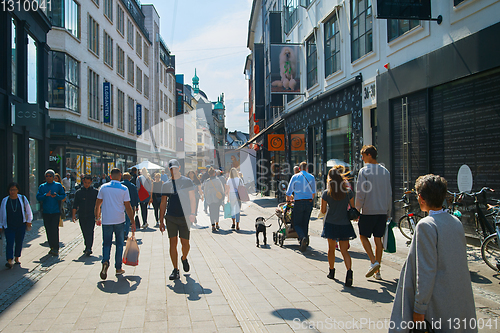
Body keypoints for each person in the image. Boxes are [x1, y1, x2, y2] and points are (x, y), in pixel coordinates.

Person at [389, 174, 477, 332]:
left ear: (421, 198)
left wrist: (419, 308)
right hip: (458, 300)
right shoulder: (455, 222)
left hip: (436, 302)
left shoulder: (426, 226)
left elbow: (425, 270)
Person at [355, 145, 392, 279]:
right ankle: (378, 272)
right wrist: (388, 210)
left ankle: (373, 261)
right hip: (382, 211)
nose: (362, 158)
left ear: (369, 155)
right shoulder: (385, 172)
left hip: (368, 210)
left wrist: (357, 209)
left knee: (363, 236)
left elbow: (360, 192)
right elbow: (389, 193)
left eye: (363, 155)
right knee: (378, 240)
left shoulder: (364, 171)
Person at [94, 168, 135, 280]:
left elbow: (97, 204)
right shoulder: (123, 189)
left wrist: (97, 217)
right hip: (119, 220)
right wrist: (132, 221)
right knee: (119, 244)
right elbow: (128, 206)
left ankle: (105, 261)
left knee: (106, 243)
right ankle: (118, 268)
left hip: (106, 220)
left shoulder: (103, 187)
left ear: (110, 176)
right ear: (120, 176)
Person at [159, 159, 196, 280]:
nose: (173, 170)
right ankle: (175, 269)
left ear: (179, 167)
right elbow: (163, 203)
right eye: (171, 168)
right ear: (169, 169)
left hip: (185, 216)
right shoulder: (166, 184)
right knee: (172, 243)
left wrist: (193, 213)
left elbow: (192, 198)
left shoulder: (187, 181)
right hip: (171, 217)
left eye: (175, 168)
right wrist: (160, 220)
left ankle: (184, 258)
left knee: (185, 243)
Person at [320, 166, 356, 286]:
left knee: (331, 249)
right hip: (345, 223)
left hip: (331, 223)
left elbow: (323, 210)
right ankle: (349, 273)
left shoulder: (326, 193)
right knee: (345, 251)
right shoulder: (348, 192)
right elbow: (353, 208)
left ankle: (331, 271)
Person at [0, 183, 33, 268]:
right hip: (9, 225)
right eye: (11, 190)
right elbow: (2, 213)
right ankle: (9, 260)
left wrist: (29, 220)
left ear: (18, 190)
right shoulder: (5, 200)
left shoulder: (22, 198)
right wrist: (1, 225)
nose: (12, 192)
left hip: (20, 224)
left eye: (14, 190)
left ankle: (17, 257)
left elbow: (28, 210)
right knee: (9, 242)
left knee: (19, 242)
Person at [285, 161, 316, 252]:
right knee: (305, 222)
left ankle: (302, 238)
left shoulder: (295, 177)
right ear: (307, 168)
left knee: (296, 223)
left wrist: (288, 201)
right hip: (308, 202)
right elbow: (313, 193)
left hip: (298, 202)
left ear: (299, 169)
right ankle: (304, 241)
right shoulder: (312, 177)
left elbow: (288, 192)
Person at [36, 169, 66, 256]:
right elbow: (38, 197)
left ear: (53, 177)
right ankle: (51, 247)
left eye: (50, 176)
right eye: (47, 176)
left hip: (55, 211)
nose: (48, 178)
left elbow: (63, 195)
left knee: (54, 229)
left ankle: (56, 248)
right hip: (46, 211)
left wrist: (56, 196)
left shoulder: (58, 185)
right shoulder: (42, 186)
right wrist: (45, 195)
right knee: (48, 230)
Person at [72, 174, 98, 256]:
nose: (86, 184)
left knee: (90, 231)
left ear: (91, 182)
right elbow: (75, 205)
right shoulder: (79, 192)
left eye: (88, 182)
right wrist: (73, 215)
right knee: (84, 231)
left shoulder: (95, 192)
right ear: (83, 182)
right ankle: (87, 245)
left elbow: (99, 205)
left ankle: (88, 247)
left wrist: (98, 215)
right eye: (85, 182)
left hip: (91, 215)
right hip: (82, 215)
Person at [203, 167, 224, 232]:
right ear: (214, 173)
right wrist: (222, 196)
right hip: (217, 198)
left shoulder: (207, 181)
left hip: (210, 198)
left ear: (209, 173)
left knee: (211, 212)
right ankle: (217, 223)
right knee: (217, 211)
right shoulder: (218, 180)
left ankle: (213, 225)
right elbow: (221, 189)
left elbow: (205, 191)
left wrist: (206, 198)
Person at [121, 172, 139, 240]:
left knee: (122, 219)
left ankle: (122, 231)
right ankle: (125, 232)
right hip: (130, 204)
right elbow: (135, 196)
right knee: (128, 219)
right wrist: (136, 205)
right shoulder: (132, 186)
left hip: (121, 205)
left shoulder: (120, 185)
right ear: (129, 178)